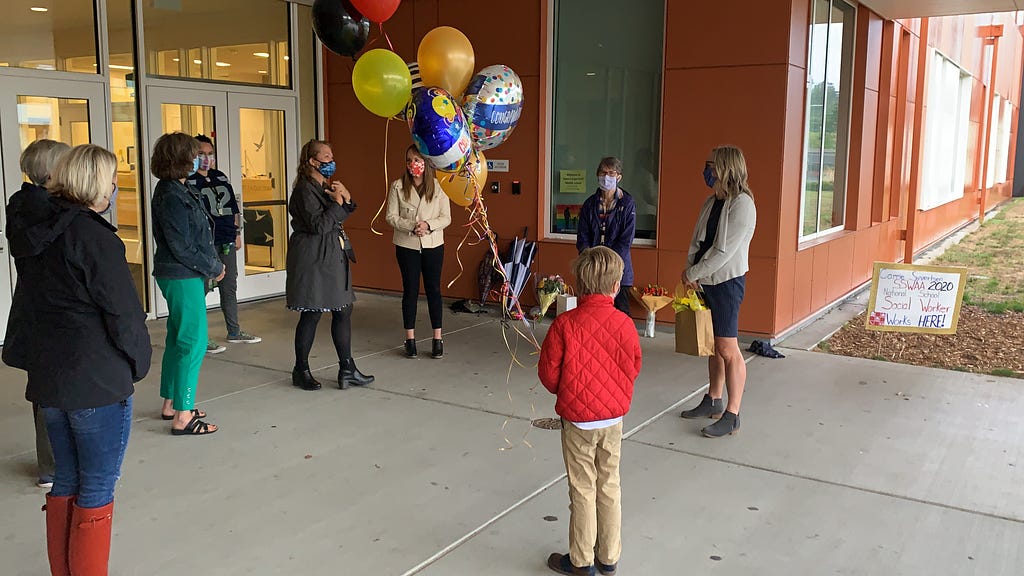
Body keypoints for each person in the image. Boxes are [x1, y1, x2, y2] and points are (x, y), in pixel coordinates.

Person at [2, 144, 152, 575]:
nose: (115, 187)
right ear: (95, 184)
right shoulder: (94, 238)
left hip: (50, 377)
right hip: (95, 380)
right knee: (98, 485)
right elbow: (123, 315)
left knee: (66, 478)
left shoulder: (34, 228)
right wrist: (137, 364)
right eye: (111, 179)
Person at [539, 246, 642, 576]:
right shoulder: (625, 324)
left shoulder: (564, 324)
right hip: (613, 418)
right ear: (615, 286)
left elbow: (548, 373)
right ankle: (609, 556)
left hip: (578, 421)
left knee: (582, 488)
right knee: (610, 484)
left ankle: (581, 560)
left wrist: (568, 391)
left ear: (578, 285)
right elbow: (633, 366)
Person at [678, 145, 757, 438]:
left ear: (726, 168)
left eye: (711, 166)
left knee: (727, 348)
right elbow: (697, 242)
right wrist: (690, 271)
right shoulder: (712, 202)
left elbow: (724, 252)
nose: (707, 171)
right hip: (703, 281)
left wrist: (693, 273)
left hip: (726, 283)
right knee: (712, 345)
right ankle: (713, 399)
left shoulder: (742, 205)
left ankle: (732, 413)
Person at [5, 139, 69, 489]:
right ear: (52, 171)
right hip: (46, 311)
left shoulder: (28, 204)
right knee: (51, 389)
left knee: (49, 387)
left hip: (39, 308)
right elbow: (36, 244)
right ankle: (54, 465)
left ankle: (54, 463)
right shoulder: (38, 208)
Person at [151, 132, 225, 435]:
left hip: (183, 274)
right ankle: (183, 414)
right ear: (181, 158)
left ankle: (173, 403)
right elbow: (180, 245)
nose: (201, 159)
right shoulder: (171, 194)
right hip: (182, 275)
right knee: (192, 343)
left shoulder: (180, 188)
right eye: (195, 154)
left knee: (178, 339)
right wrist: (213, 266)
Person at [286, 139, 374, 390]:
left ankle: (347, 368)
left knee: (343, 308)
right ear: (312, 161)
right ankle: (300, 369)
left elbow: (340, 214)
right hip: (313, 256)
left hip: (332, 254)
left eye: (331, 156)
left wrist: (346, 198)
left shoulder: (323, 185)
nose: (330, 162)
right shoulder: (304, 189)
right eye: (325, 157)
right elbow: (319, 225)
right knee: (312, 311)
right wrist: (337, 203)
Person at [187, 134, 262, 353]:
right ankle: (200, 337)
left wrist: (237, 232)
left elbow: (232, 208)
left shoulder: (220, 177)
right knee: (201, 289)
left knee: (229, 285)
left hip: (226, 241)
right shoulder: (189, 180)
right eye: (201, 154)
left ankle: (234, 331)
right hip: (204, 245)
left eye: (210, 154)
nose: (206, 158)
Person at [385, 145, 452, 359]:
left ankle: (437, 339)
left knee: (434, 290)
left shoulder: (438, 187)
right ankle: (410, 339)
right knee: (410, 291)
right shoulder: (397, 186)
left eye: (418, 159)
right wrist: (411, 225)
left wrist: (428, 225)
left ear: (426, 162)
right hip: (407, 245)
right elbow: (390, 216)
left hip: (433, 245)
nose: (414, 164)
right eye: (409, 160)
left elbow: (446, 217)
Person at [576, 157, 636, 317]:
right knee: (591, 315)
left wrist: (608, 263)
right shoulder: (589, 204)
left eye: (611, 173)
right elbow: (582, 237)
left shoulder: (627, 204)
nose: (606, 176)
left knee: (620, 316)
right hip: (593, 270)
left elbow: (626, 240)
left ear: (619, 177)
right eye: (603, 172)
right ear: (597, 175)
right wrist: (590, 260)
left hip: (618, 270)